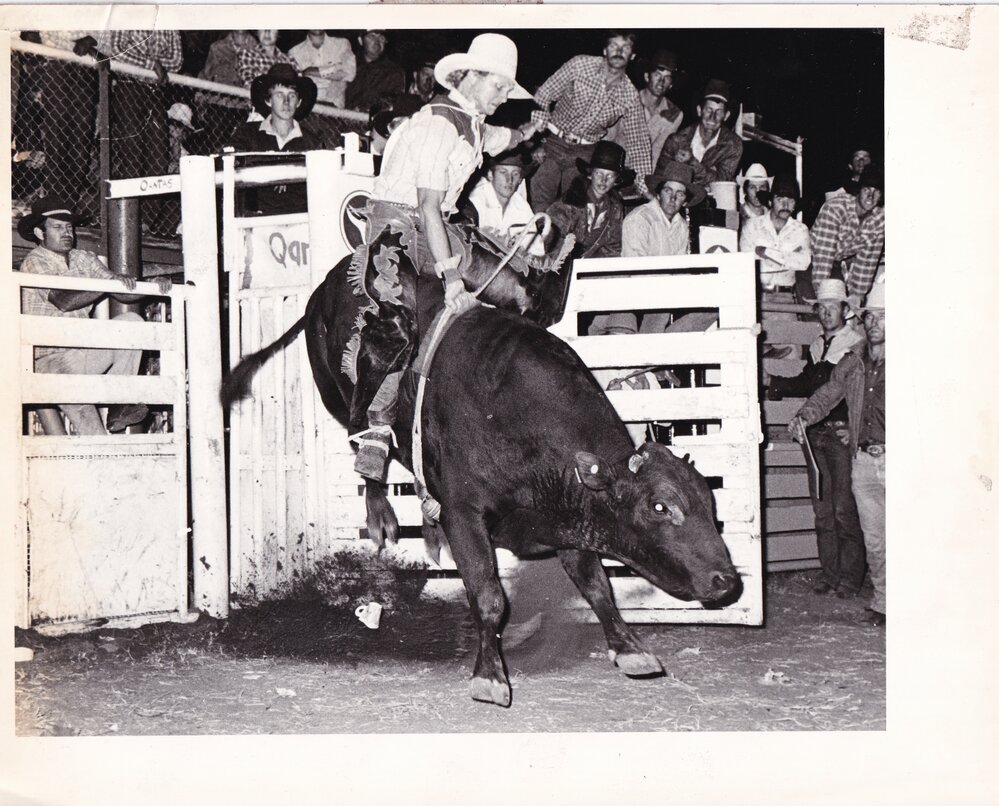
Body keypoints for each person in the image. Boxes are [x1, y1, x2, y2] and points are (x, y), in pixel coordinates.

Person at [350, 33, 539, 484]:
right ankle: (375, 429)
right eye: (498, 87)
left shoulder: (472, 120)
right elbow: (429, 206)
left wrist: (530, 131)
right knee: (395, 321)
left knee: (514, 286)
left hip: (439, 226)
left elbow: (496, 138)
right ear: (471, 77)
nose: (502, 97)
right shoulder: (436, 124)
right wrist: (452, 279)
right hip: (396, 227)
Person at [18, 198, 171, 435]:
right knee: (95, 436)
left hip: (81, 354)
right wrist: (107, 284)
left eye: (69, 227)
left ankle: (120, 404)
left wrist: (152, 285)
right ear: (40, 232)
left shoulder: (83, 258)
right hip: (50, 362)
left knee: (132, 324)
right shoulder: (35, 262)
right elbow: (64, 301)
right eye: (57, 227)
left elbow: (122, 292)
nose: (67, 233)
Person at [789, 278, 886, 627]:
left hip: (873, 448)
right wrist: (804, 413)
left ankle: (862, 584)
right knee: (850, 522)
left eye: (883, 317)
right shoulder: (844, 354)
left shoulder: (870, 352)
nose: (875, 324)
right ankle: (866, 592)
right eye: (872, 317)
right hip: (842, 445)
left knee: (854, 515)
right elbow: (826, 391)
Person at [767, 280, 866, 599]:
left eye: (831, 307)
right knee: (823, 510)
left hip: (839, 433)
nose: (825, 313)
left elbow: (832, 387)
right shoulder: (817, 344)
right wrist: (774, 383)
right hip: (815, 433)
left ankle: (850, 578)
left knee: (843, 510)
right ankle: (830, 574)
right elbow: (809, 383)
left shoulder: (855, 344)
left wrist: (853, 426)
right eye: (821, 308)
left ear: (845, 310)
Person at [529, 31, 653, 211]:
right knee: (539, 193)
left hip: (585, 153)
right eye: (613, 46)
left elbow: (638, 143)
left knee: (573, 206)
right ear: (605, 50)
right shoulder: (579, 65)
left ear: (632, 56)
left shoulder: (630, 96)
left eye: (625, 48)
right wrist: (536, 139)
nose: (618, 51)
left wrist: (645, 189)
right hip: (552, 141)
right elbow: (543, 95)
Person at [545, 140, 632, 338]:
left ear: (617, 180)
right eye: (599, 174)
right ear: (590, 173)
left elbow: (612, 249)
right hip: (557, 276)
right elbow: (551, 243)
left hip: (586, 278)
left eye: (609, 176)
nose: (603, 181)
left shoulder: (615, 208)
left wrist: (598, 277)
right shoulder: (570, 201)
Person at [227, 63, 321, 215]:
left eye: (292, 95)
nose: (286, 102)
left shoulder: (311, 141)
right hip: (256, 221)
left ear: (299, 102)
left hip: (299, 222)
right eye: (279, 95)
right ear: (268, 100)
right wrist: (279, 171)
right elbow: (231, 163)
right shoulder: (248, 133)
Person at [740, 173, 810, 359]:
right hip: (757, 297)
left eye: (790, 200)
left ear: (795, 204)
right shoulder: (752, 226)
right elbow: (748, 263)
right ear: (771, 201)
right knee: (755, 357)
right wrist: (787, 258)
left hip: (785, 298)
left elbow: (803, 263)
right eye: (780, 199)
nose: (785, 205)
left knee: (792, 356)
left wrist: (766, 253)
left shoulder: (800, 230)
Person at [809, 165, 885, 306]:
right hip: (811, 262)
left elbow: (867, 262)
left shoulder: (880, 220)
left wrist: (857, 296)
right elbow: (823, 258)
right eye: (867, 189)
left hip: (838, 264)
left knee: (850, 308)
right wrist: (823, 298)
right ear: (859, 190)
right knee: (820, 310)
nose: (870, 196)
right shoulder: (836, 208)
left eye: (876, 191)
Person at [654, 78, 743, 185]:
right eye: (708, 110)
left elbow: (722, 182)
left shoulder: (733, 145)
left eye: (718, 112)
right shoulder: (676, 141)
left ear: (726, 115)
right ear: (699, 111)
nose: (712, 117)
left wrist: (691, 163)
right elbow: (658, 179)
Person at [462, 145, 546, 257]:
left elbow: (537, 252)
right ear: (491, 175)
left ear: (520, 179)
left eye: (515, 174)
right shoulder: (475, 202)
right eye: (503, 172)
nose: (509, 180)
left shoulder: (521, 206)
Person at [609, 48, 683, 169]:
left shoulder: (674, 113)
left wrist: (647, 182)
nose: (661, 82)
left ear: (671, 84)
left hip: (640, 170)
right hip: (613, 164)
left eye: (667, 77)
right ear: (647, 77)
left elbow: (657, 152)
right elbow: (609, 137)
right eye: (657, 75)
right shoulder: (626, 99)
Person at [197, 30, 258, 151]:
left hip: (246, 109)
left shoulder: (259, 48)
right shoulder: (217, 48)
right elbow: (206, 76)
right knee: (217, 149)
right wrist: (201, 102)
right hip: (220, 106)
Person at [288, 30, 356, 108]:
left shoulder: (342, 44)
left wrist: (310, 71)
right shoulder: (294, 52)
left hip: (335, 111)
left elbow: (349, 73)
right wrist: (336, 69)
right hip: (309, 109)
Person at [345, 29, 406, 114]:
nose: (377, 42)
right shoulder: (347, 64)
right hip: (339, 120)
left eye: (381, 38)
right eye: (372, 36)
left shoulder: (393, 72)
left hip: (369, 121)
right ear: (360, 40)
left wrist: (364, 109)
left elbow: (392, 101)